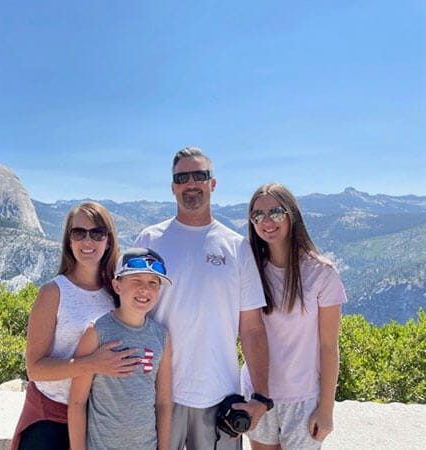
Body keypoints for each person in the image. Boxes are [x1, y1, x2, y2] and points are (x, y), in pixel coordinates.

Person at [134, 147, 272, 450]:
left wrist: (261, 397)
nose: (191, 183)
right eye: (182, 177)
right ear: (172, 187)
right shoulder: (150, 241)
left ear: (213, 183)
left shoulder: (236, 247)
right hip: (158, 395)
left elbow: (251, 328)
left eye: (200, 175)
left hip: (219, 398)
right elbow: (131, 317)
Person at [11, 201, 140, 450]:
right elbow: (35, 370)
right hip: (49, 421)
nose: (87, 241)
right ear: (69, 241)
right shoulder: (53, 292)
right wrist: (91, 364)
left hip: (98, 421)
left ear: (109, 241)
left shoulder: (116, 294)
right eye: (78, 232)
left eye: (97, 233)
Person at [241, 182, 347, 450]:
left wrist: (326, 409)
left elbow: (328, 346)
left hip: (303, 398)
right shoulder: (249, 270)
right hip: (258, 394)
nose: (266, 221)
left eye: (275, 212)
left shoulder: (322, 273)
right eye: (257, 215)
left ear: (291, 215)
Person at [68, 247, 173, 450]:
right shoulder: (97, 332)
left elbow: (164, 402)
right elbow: (77, 402)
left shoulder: (161, 337)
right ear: (117, 286)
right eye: (136, 280)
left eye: (153, 282)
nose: (145, 289)